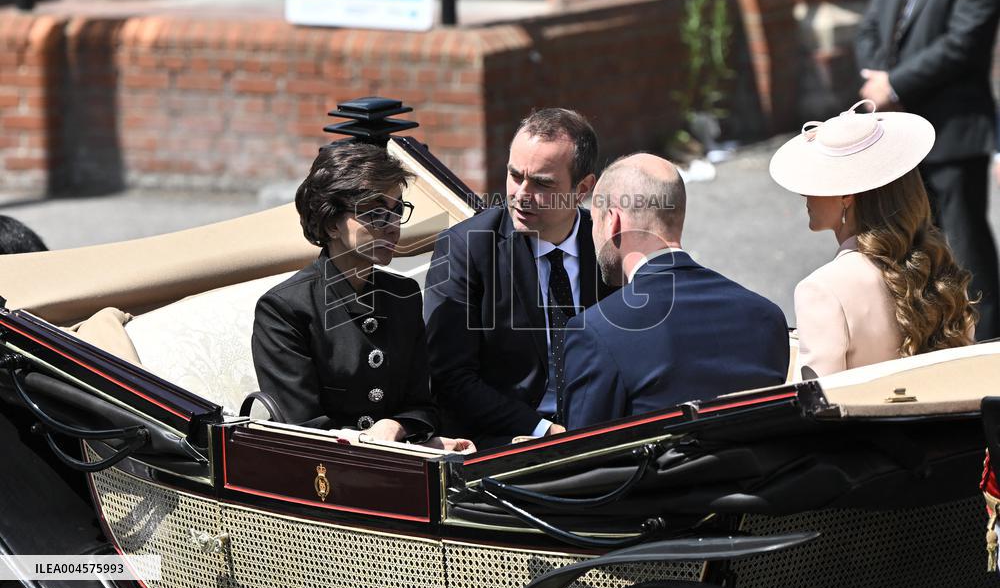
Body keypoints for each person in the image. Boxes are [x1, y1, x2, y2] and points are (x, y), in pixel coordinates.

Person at [251, 141, 472, 451]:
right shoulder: (284, 309)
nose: (393, 226)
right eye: (376, 214)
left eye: (397, 211)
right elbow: (302, 428)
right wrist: (370, 441)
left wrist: (397, 426)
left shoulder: (403, 295)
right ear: (331, 224)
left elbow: (423, 405)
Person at [423, 108, 613, 446]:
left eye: (542, 183)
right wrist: (547, 432)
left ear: (582, 188)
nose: (521, 194)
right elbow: (450, 377)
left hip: (603, 430)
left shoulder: (608, 242)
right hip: (504, 440)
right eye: (515, 175)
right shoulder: (468, 248)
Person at [562, 154, 789, 429]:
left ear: (613, 222)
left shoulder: (597, 333)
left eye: (594, 222)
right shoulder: (765, 316)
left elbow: (580, 459)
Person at [854, 0, 1000, 340]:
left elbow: (963, 43)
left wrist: (895, 84)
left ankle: (989, 344)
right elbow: (869, 28)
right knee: (910, 243)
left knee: (965, 247)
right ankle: (929, 339)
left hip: (952, 130)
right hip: (895, 131)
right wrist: (876, 80)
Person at [769, 101, 976, 378]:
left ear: (846, 195)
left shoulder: (821, 290)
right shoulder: (941, 267)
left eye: (815, 182)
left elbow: (818, 408)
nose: (804, 195)